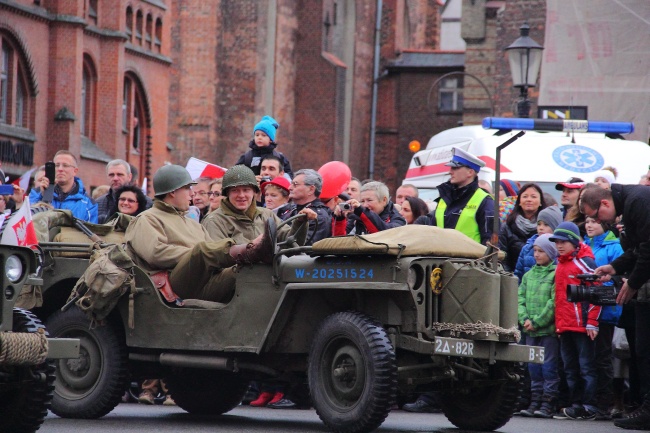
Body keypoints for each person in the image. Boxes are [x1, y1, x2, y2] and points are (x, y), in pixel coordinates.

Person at [124, 164, 277, 305]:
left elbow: (215, 253)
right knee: (202, 250)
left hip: (205, 280)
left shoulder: (192, 223)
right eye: (187, 188)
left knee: (245, 270)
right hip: (175, 284)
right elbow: (155, 254)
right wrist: (196, 257)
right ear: (172, 192)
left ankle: (251, 254)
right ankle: (250, 250)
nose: (192, 194)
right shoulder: (146, 219)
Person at [580, 183, 650, 429]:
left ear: (606, 204)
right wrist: (615, 267)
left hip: (644, 283)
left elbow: (647, 247)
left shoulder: (636, 202)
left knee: (645, 347)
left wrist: (632, 282)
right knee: (641, 348)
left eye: (597, 216)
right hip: (643, 281)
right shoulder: (632, 202)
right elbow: (635, 249)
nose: (600, 222)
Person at [549, 221, 601, 420]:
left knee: (586, 367)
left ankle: (589, 406)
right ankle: (576, 404)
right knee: (570, 368)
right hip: (565, 326)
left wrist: (592, 322)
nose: (559, 245)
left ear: (573, 242)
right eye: (556, 242)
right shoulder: (560, 263)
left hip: (582, 326)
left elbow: (597, 293)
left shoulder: (584, 262)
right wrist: (559, 324)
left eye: (564, 241)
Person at [583, 215, 624, 420]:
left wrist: (597, 287)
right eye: (587, 221)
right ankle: (590, 401)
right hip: (585, 310)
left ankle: (605, 403)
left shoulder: (614, 247)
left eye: (594, 221)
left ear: (605, 224)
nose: (589, 225)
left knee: (603, 358)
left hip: (606, 312)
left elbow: (619, 277)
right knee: (588, 359)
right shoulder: (582, 245)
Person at [517, 234, 560, 419]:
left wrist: (537, 322)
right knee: (533, 367)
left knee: (548, 366)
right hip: (529, 330)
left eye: (541, 251)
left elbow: (554, 302)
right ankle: (535, 400)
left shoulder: (555, 274)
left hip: (547, 331)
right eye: (535, 250)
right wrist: (524, 319)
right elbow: (520, 298)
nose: (536, 254)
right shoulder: (528, 275)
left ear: (550, 252)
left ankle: (548, 402)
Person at [414, 147, 494, 245]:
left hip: (470, 259)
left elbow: (489, 242)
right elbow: (432, 233)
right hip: (439, 258)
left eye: (455, 168)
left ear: (470, 172)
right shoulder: (444, 199)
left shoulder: (485, 201)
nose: (450, 171)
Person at [28, 150, 98, 223]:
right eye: (57, 165)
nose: (60, 169)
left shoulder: (88, 204)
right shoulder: (36, 193)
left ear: (75, 171)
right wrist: (43, 197)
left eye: (65, 165)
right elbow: (29, 221)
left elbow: (91, 231)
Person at [499, 183, 547, 273]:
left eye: (533, 196)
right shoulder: (507, 226)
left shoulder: (547, 226)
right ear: (519, 202)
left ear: (540, 202)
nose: (529, 200)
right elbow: (502, 257)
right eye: (525, 196)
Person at [333, 181, 405, 235]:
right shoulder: (357, 217)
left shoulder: (398, 219)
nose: (364, 205)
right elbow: (341, 243)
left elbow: (383, 234)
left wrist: (361, 211)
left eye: (369, 200)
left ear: (384, 200)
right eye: (362, 201)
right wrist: (340, 220)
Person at [281, 169, 332, 245]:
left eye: (295, 184)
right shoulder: (291, 210)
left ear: (311, 189)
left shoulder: (319, 217)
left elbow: (304, 247)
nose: (289, 188)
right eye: (291, 184)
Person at [514, 205, 562, 283]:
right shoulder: (528, 248)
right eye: (539, 224)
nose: (541, 228)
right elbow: (518, 274)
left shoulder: (560, 248)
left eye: (546, 225)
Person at [97, 159, 152, 224]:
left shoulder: (148, 204)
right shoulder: (97, 203)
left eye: (120, 174)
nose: (115, 178)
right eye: (111, 175)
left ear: (129, 177)